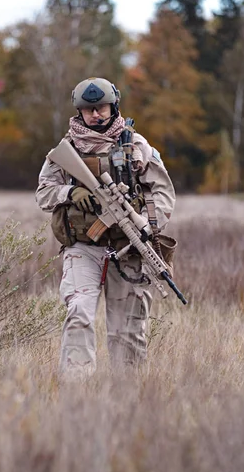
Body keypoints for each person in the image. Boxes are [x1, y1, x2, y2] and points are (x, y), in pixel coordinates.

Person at [36, 77, 176, 378]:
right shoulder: (66, 150)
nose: (96, 114)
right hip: (83, 248)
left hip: (128, 249)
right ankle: (77, 393)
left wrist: (148, 227)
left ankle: (128, 398)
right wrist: (70, 193)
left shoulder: (136, 145)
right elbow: (43, 192)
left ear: (114, 107)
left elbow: (163, 192)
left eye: (101, 108)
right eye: (89, 110)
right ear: (79, 112)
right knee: (79, 315)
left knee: (129, 330)